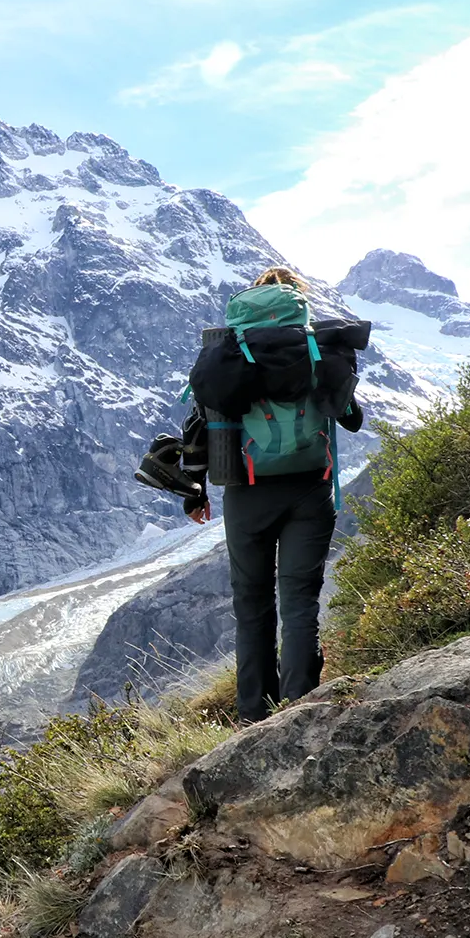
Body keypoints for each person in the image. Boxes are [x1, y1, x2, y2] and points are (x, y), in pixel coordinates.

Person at [192, 267, 364, 722]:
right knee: (300, 602)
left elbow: (203, 418)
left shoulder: (229, 354)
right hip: (310, 490)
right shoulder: (317, 349)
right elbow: (351, 418)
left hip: (247, 492)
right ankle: (301, 708)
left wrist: (194, 490)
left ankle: (252, 714)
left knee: (251, 602)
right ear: (296, 303)